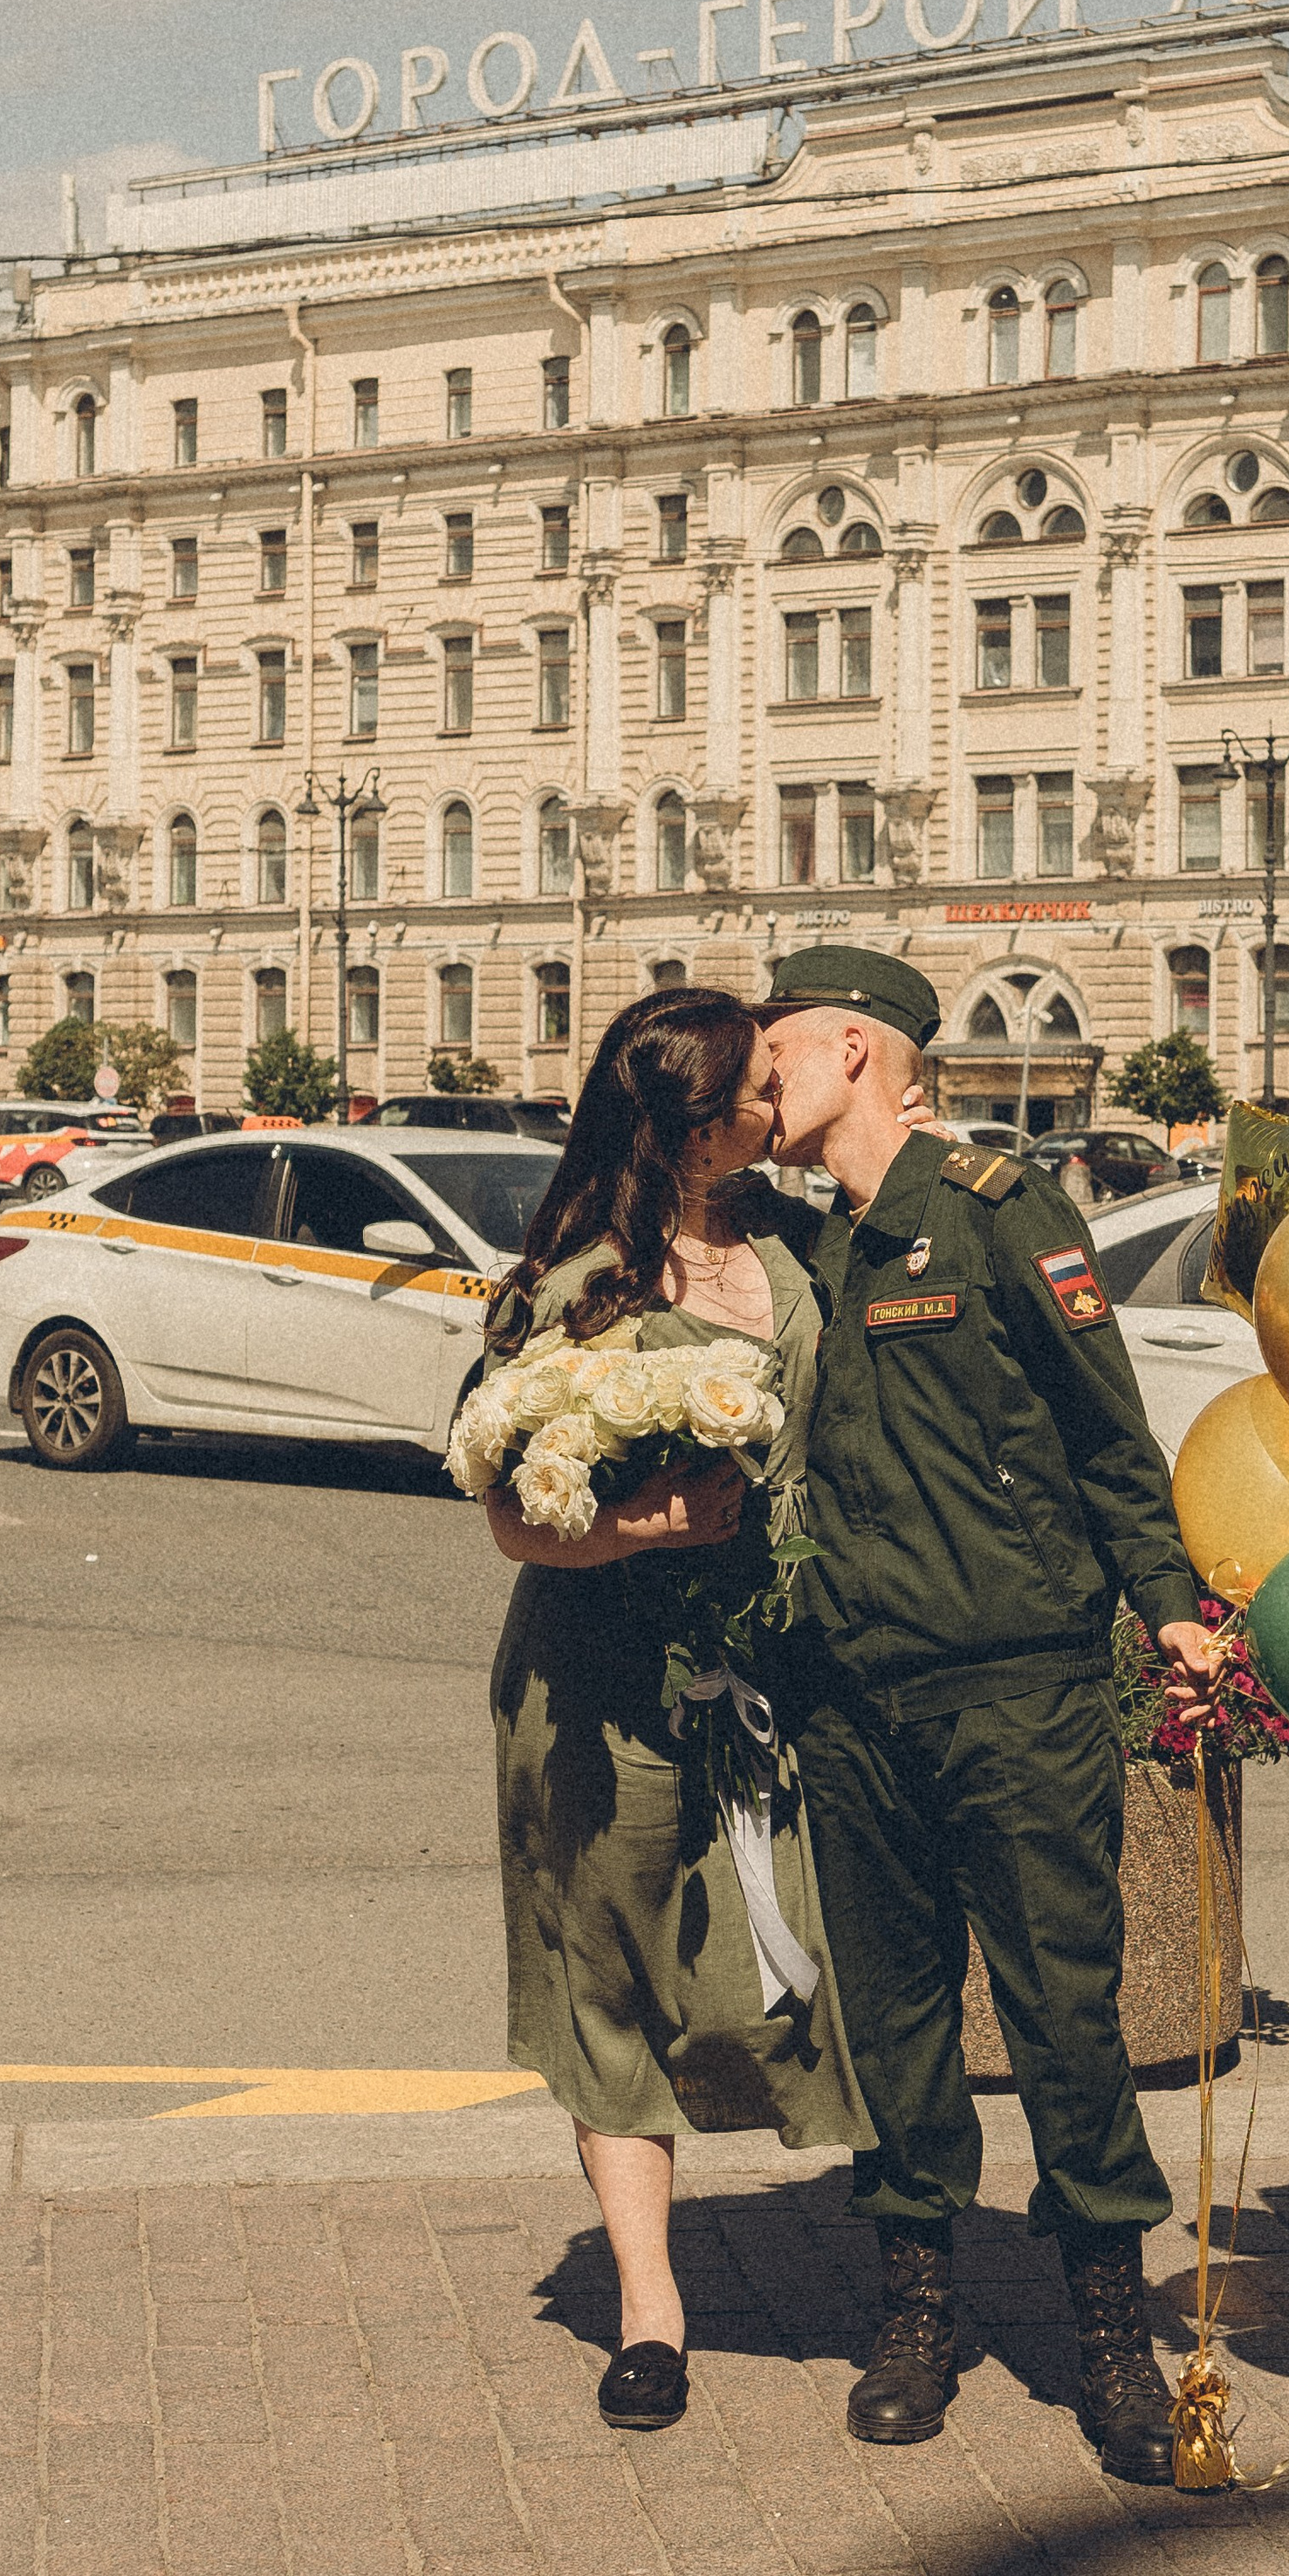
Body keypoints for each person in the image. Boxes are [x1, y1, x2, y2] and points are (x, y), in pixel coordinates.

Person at [762, 945, 1217, 2487]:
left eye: (782, 1059)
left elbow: (1108, 1436)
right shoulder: (791, 1250)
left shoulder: (996, 1208)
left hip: (1014, 1687)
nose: (766, 1088)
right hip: (848, 1693)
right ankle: (918, 2314)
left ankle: (1109, 2332)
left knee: (1063, 2016)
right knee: (892, 2026)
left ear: (862, 1054)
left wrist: (1168, 1606)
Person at [478, 985, 868, 2434]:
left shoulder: (788, 1245)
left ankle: (902, 2244)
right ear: (694, 1128)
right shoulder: (579, 1279)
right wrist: (645, 1527)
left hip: (774, 1671)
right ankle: (651, 2308)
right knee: (609, 1978)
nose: (783, 1107)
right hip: (602, 1689)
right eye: (760, 1091)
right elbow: (512, 1514)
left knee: (804, 1958)